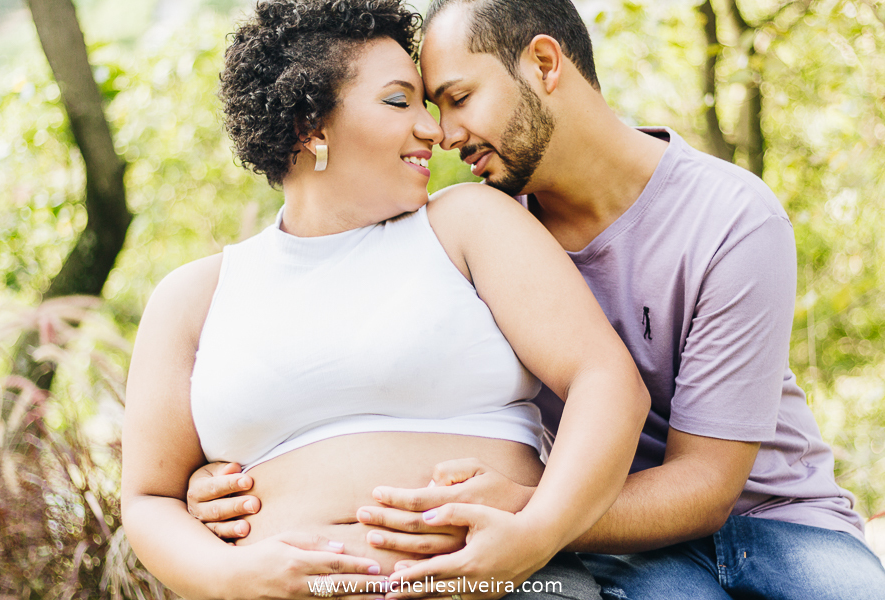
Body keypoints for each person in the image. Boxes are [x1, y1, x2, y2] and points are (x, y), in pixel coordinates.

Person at [189, 0, 885, 598]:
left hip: (772, 515)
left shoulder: (731, 217)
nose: (444, 135)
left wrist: (532, 515)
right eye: (426, 106)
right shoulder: (483, 226)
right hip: (620, 543)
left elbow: (705, 485)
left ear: (545, 64)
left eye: (459, 99)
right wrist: (225, 479)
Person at [120, 2, 650, 600]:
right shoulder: (192, 298)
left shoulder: (468, 225)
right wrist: (233, 577)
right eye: (400, 102)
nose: (434, 130)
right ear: (310, 126)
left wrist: (534, 535)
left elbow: (607, 382)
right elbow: (149, 499)